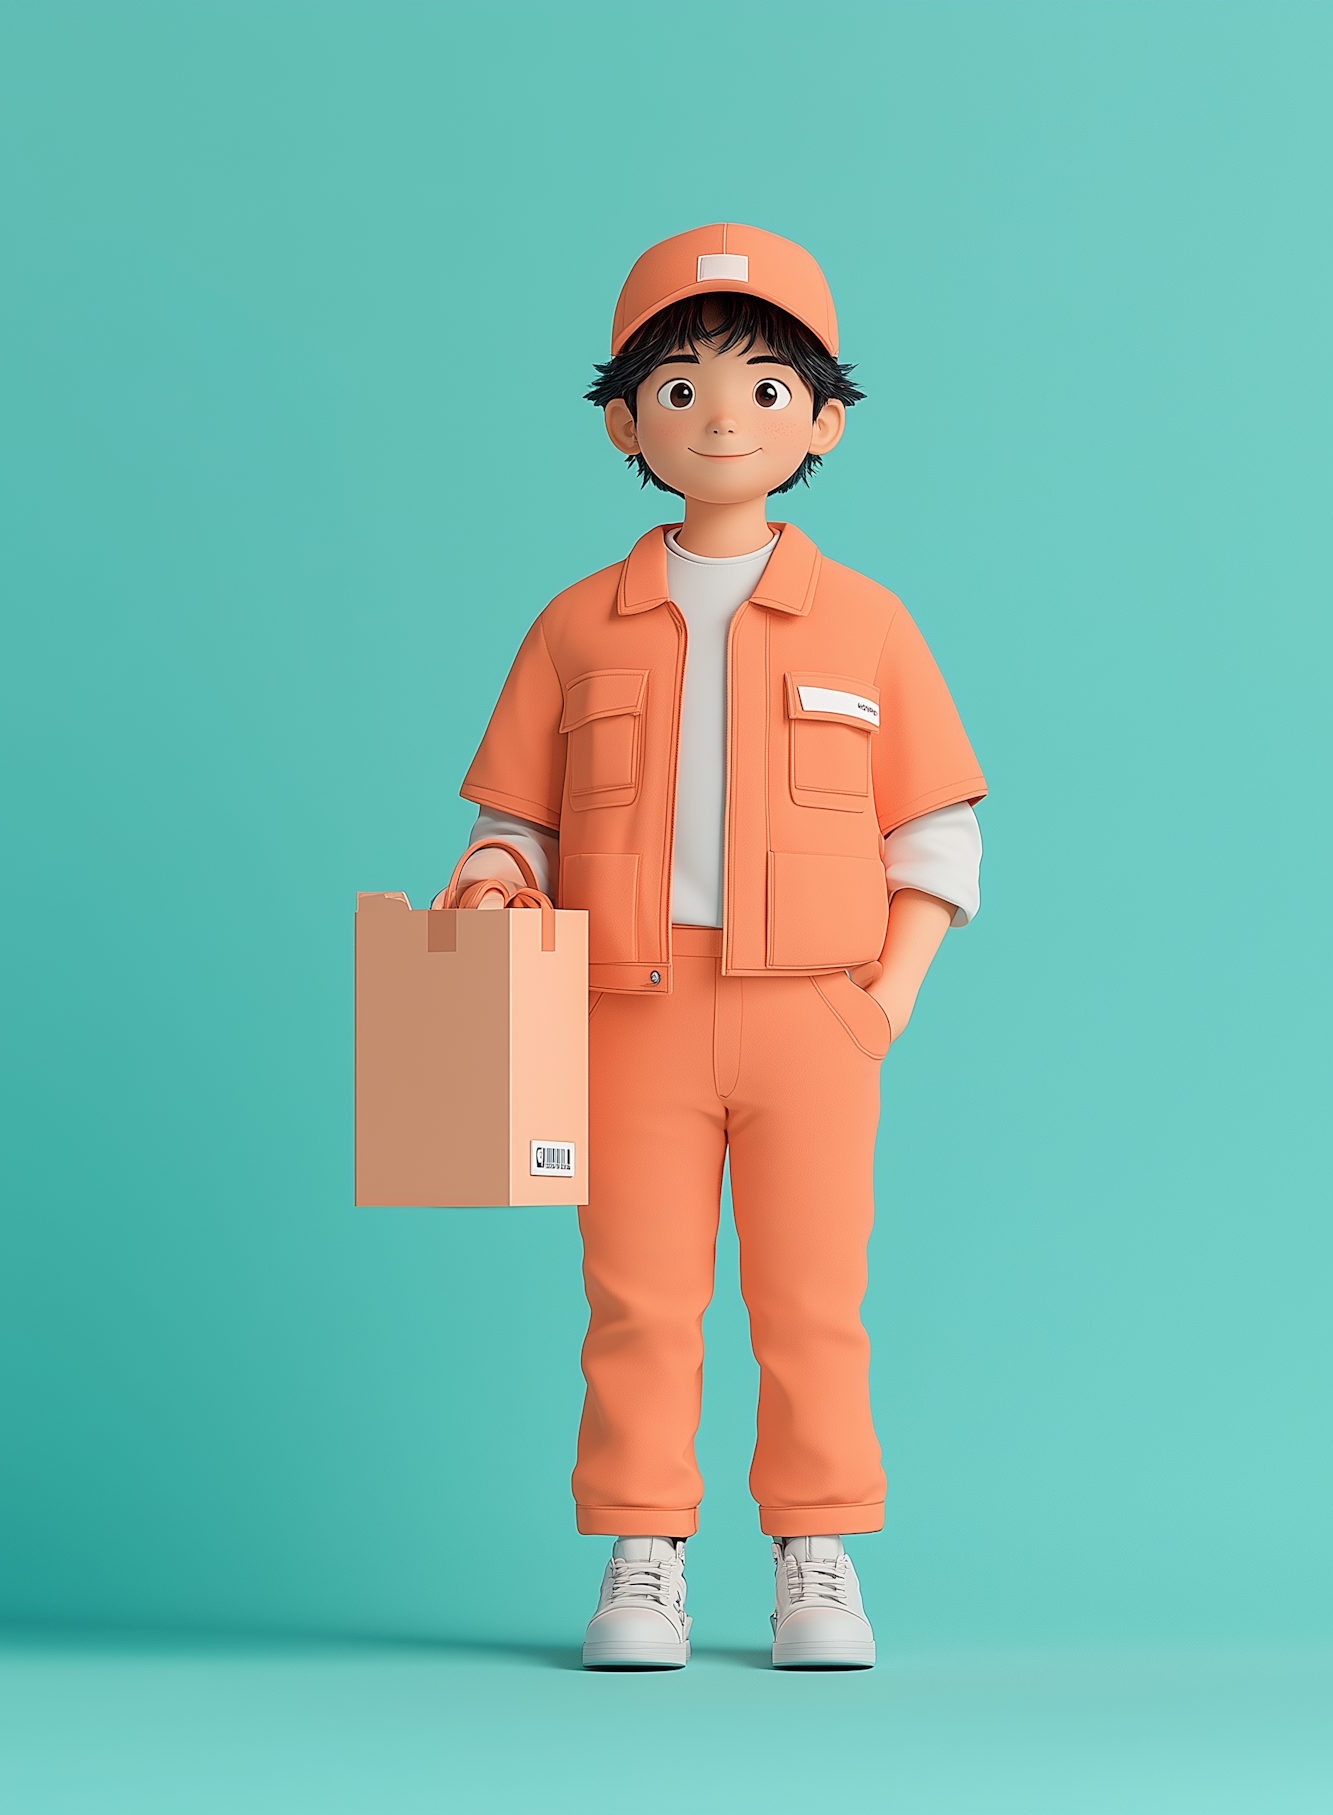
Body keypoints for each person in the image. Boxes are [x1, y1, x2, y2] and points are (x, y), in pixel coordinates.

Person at [455, 225, 986, 1668]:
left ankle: (817, 1555)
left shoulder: (869, 626)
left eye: (764, 386)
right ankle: (645, 1550)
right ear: (625, 418)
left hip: (814, 1013)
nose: (721, 416)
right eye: (678, 386)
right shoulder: (576, 628)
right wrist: (493, 887)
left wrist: (884, 1000)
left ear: (822, 418)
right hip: (622, 1009)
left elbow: (936, 837)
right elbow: (516, 823)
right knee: (637, 1294)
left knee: (812, 1298)